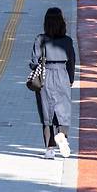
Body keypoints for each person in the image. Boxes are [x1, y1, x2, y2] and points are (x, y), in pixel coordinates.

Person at [30, 8, 76, 160]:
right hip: (62, 75)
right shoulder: (67, 41)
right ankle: (62, 135)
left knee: (46, 113)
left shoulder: (40, 39)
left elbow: (34, 61)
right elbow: (72, 62)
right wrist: (70, 79)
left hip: (45, 76)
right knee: (63, 111)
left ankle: (49, 150)